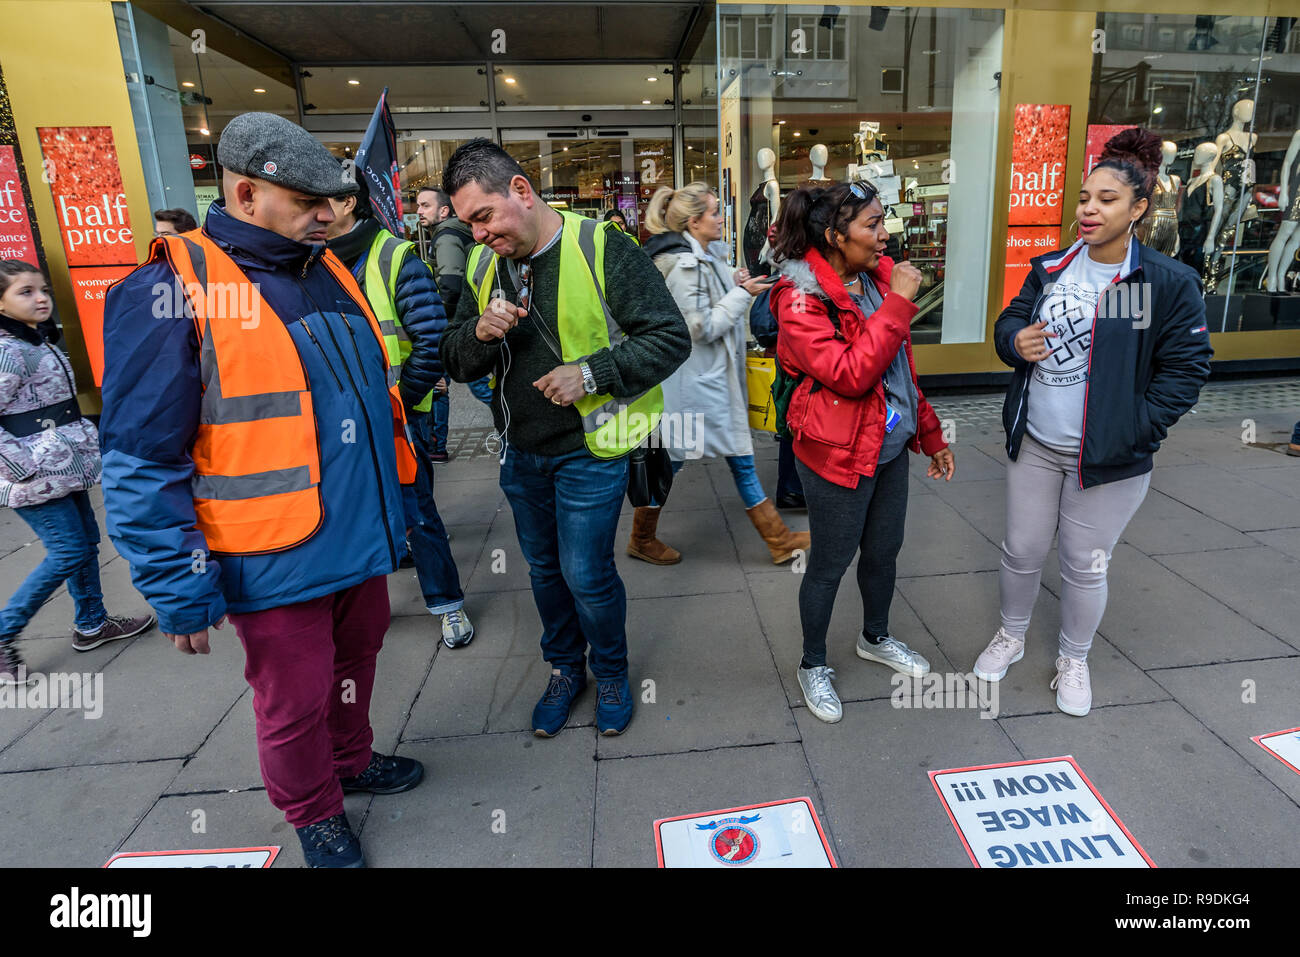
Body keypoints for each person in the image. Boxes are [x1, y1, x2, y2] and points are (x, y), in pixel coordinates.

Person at [101, 112, 424, 867]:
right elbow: (141, 458)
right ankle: (314, 811)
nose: (329, 214)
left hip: (360, 535)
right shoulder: (169, 287)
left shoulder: (326, 266)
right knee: (293, 697)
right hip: (270, 553)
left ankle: (351, 757)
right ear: (245, 191)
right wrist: (178, 585)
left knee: (358, 659)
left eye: (334, 200)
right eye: (310, 200)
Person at [440, 139, 690, 737]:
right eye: (468, 222)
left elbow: (669, 337)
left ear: (521, 192)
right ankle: (563, 670)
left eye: (484, 216)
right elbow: (453, 357)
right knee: (544, 572)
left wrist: (591, 374)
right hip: (521, 454)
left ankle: (609, 673)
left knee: (587, 574)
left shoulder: (601, 247)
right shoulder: (481, 266)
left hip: (591, 452)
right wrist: (479, 332)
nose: (477, 234)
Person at [977, 128, 1212, 717]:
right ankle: (1011, 634)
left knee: (1085, 563)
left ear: (1138, 209)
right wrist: (1014, 340)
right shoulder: (1053, 266)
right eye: (1084, 198)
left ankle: (1074, 658)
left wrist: (1138, 427)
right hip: (1036, 443)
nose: (1089, 209)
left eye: (1106, 200)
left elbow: (1186, 369)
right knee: (1022, 549)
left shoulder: (1163, 282)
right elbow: (1012, 321)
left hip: (1107, 457)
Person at [770, 182, 955, 724]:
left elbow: (899, 373)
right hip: (836, 453)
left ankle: (875, 637)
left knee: (884, 551)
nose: (884, 235)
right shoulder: (801, 298)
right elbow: (851, 376)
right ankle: (813, 664)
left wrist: (931, 434)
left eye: (882, 222)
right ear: (833, 235)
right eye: (871, 225)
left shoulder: (874, 280)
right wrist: (898, 301)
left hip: (888, 445)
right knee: (829, 563)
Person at [325, 189, 474, 649]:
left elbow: (432, 342)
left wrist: (401, 402)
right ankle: (356, 612)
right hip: (335, 418)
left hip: (397, 414)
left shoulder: (393, 254)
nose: (309, 211)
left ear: (348, 202)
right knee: (345, 514)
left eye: (318, 200)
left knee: (417, 508)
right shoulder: (306, 258)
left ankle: (447, 605)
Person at [633, 183, 809, 566]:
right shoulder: (684, 266)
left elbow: (713, 290)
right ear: (694, 222)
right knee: (673, 464)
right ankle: (642, 537)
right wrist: (742, 293)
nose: (720, 218)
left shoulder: (703, 258)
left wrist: (734, 280)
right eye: (713, 212)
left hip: (708, 385)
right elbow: (701, 327)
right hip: (695, 388)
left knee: (738, 459)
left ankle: (778, 539)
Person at [0, 261, 153, 683]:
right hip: (36, 472)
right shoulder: (8, 351)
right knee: (68, 550)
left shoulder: (36, 340)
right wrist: (22, 468)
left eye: (42, 289)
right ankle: (3, 633)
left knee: (85, 543)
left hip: (63, 464)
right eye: (25, 292)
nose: (40, 298)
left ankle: (91, 623)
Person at [416, 186, 491, 423]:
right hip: (468, 319)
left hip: (458, 323)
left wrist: (436, 320)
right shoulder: (455, 233)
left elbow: (450, 284)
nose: (419, 211)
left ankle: (514, 419)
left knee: (476, 383)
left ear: (444, 210)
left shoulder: (446, 237)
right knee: (449, 382)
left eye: (425, 205)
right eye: (418, 205)